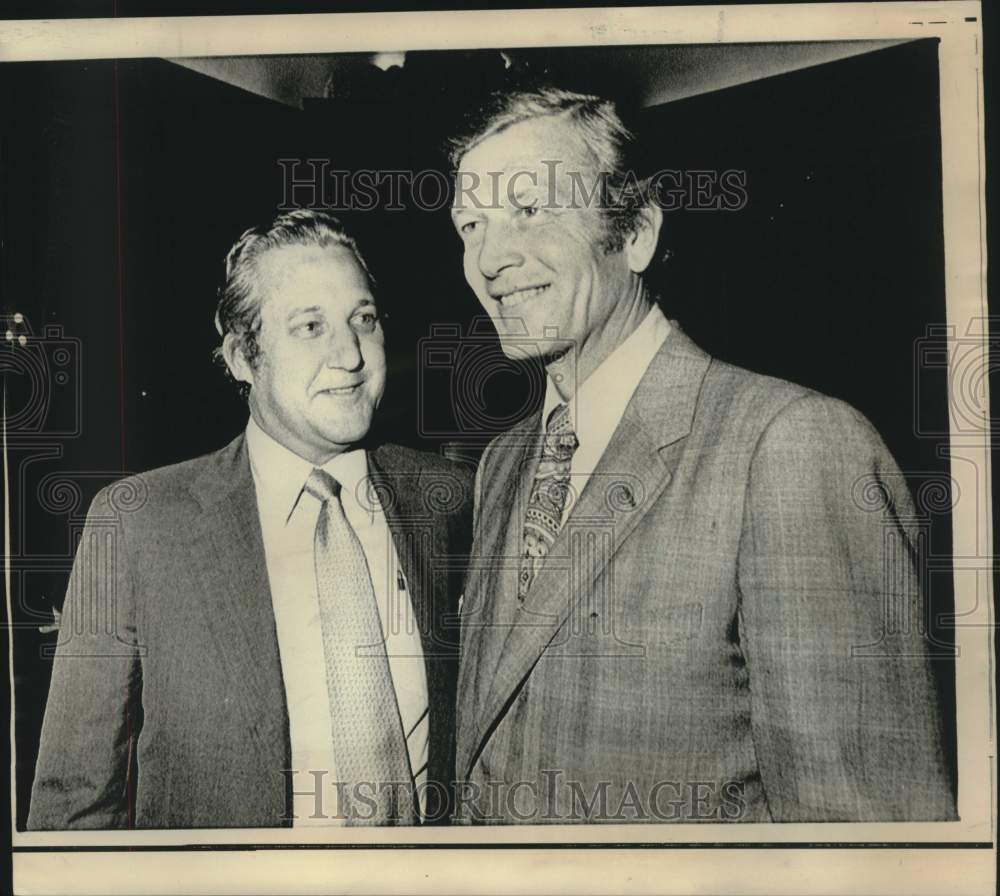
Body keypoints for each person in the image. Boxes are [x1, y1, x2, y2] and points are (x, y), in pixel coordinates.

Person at [448, 86, 956, 823]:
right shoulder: (501, 463)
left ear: (636, 233)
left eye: (530, 210)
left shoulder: (789, 446)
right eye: (470, 225)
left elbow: (864, 837)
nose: (491, 259)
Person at [28, 210, 472, 829]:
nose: (349, 354)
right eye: (310, 326)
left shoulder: (448, 499)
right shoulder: (137, 525)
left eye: (363, 320)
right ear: (242, 356)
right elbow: (74, 798)